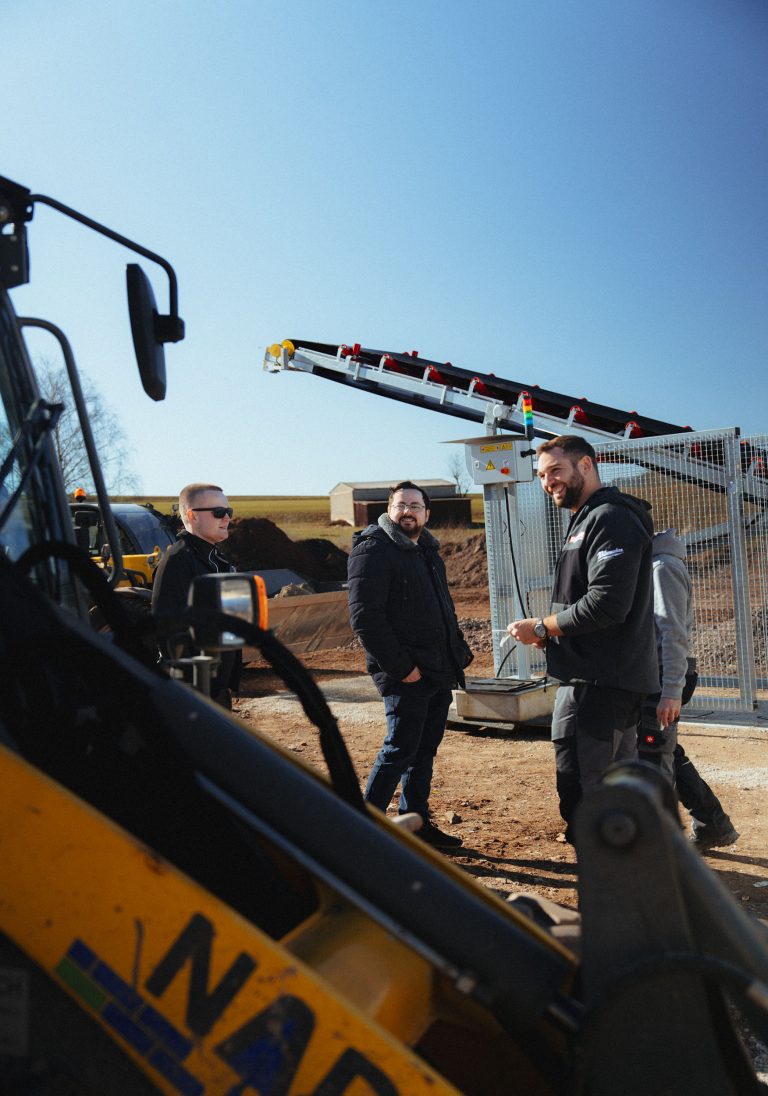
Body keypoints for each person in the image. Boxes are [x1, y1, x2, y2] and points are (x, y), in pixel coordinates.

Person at [507, 435, 658, 841]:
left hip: (602, 683)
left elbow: (608, 604)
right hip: (590, 677)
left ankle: (613, 880)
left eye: (556, 470)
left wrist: (542, 627)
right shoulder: (588, 518)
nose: (548, 481)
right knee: (599, 784)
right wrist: (553, 638)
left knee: (589, 789)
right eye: (542, 475)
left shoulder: (611, 517)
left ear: (586, 465)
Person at [347, 481, 473, 850]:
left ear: (426, 514)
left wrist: (457, 652)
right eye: (401, 504)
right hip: (405, 673)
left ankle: (416, 825)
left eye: (415, 505)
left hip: (436, 670)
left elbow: (442, 608)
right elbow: (366, 619)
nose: (408, 511)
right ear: (388, 509)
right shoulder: (373, 551)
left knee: (424, 751)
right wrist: (403, 669)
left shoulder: (427, 551)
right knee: (399, 748)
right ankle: (366, 831)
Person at [636, 527, 739, 847]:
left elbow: (673, 633)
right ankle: (713, 824)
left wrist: (671, 689)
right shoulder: (653, 563)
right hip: (656, 674)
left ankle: (666, 842)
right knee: (663, 751)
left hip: (665, 674)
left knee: (655, 755)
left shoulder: (661, 566)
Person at [151, 482, 240, 707]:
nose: (226, 518)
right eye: (218, 512)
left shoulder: (218, 561)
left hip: (216, 689)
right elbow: (169, 631)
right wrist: (197, 689)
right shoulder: (177, 562)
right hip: (193, 694)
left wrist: (230, 679)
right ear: (192, 516)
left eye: (228, 512)